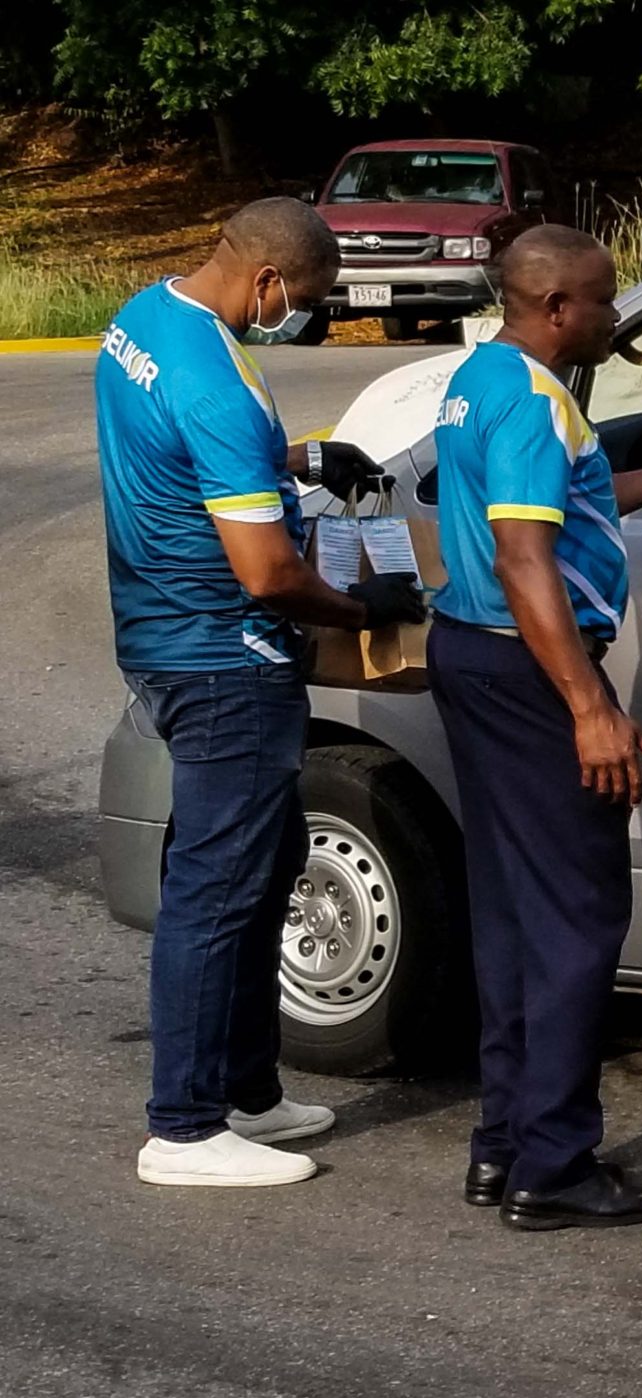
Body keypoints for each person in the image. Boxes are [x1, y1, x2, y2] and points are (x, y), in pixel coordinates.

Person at [98, 196, 428, 1188]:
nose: (305, 316)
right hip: (224, 655)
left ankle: (248, 1090)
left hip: (160, 635)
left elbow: (182, 455)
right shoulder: (217, 381)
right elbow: (269, 574)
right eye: (310, 299)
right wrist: (365, 610)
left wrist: (298, 460)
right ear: (269, 280)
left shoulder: (143, 324)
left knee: (270, 854)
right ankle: (186, 1129)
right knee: (218, 886)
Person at [428, 224, 642, 1231]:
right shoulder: (531, 403)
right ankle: (555, 1166)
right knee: (574, 917)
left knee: (514, 914)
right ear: (556, 307)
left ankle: (504, 1144)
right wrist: (590, 706)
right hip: (528, 673)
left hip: (473, 657)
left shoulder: (484, 378)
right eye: (605, 300)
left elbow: (559, 509)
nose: (616, 316)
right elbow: (526, 559)